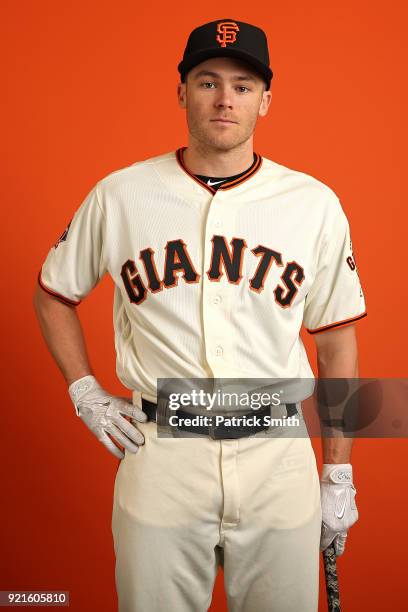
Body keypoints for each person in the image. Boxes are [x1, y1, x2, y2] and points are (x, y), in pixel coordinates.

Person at [33, 18, 366, 612]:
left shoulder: (313, 204)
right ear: (181, 90)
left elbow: (337, 341)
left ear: (266, 99)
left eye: (242, 86)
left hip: (277, 454)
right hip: (162, 452)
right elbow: (54, 294)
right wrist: (84, 389)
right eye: (207, 81)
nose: (224, 99)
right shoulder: (121, 194)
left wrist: (338, 472)